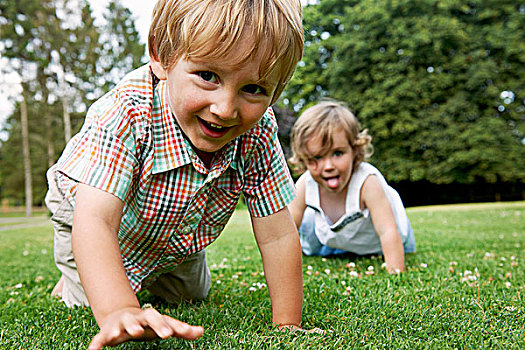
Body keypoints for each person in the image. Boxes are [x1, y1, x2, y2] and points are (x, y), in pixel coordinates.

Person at [44, 0, 310, 348]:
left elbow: (277, 234)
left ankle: (153, 272)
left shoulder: (257, 133)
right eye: (208, 76)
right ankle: (69, 281)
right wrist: (119, 310)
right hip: (93, 212)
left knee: (192, 295)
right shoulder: (125, 112)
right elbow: (95, 221)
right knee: (89, 297)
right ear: (161, 56)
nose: (225, 109)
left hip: (175, 234)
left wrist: (287, 325)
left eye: (253, 89)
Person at [288, 100, 416, 273]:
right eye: (316, 157)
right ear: (303, 158)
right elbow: (287, 229)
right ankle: (338, 247)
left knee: (396, 238)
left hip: (377, 242)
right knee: (307, 226)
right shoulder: (306, 183)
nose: (328, 166)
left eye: (337, 153)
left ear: (355, 150)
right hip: (338, 238)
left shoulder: (366, 182)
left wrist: (395, 273)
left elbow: (387, 231)